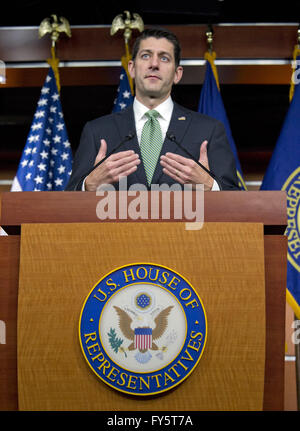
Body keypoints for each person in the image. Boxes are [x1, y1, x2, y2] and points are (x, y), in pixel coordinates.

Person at [66, 28, 239, 191]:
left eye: (164, 58)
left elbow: (237, 202)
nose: (154, 64)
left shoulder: (209, 130)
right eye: (146, 56)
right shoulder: (97, 131)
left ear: (177, 74)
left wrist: (210, 185)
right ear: (132, 68)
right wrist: (89, 185)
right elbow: (66, 206)